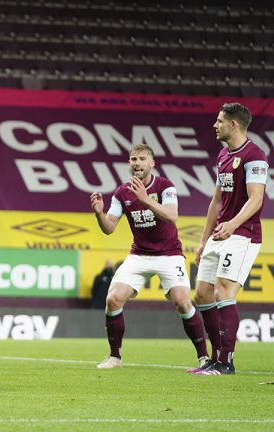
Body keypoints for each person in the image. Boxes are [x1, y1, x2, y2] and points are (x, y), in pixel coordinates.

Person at [90, 143, 208, 369]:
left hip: (169, 254)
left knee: (183, 303)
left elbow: (172, 216)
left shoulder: (165, 186)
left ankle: (203, 357)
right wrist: (99, 214)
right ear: (129, 164)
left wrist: (145, 199)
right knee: (112, 299)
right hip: (140, 254)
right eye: (133, 159)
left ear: (152, 163)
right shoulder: (121, 192)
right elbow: (109, 228)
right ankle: (115, 357)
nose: (137, 163)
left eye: (142, 159)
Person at [191, 103, 268, 376]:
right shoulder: (223, 155)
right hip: (219, 234)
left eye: (219, 120)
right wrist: (203, 240)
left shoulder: (255, 156)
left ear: (233, 125)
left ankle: (226, 362)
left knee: (223, 290)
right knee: (202, 295)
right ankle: (214, 358)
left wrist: (233, 225)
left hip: (243, 235)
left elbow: (257, 199)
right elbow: (216, 200)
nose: (215, 125)